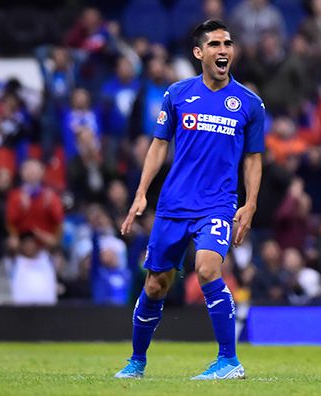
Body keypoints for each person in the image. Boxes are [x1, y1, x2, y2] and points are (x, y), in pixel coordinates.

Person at [115, 20, 264, 380]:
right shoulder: (178, 94)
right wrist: (140, 194)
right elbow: (158, 145)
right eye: (214, 44)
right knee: (155, 285)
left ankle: (228, 361)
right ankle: (136, 362)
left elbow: (253, 158)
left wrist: (251, 203)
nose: (223, 50)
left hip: (218, 203)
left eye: (227, 43)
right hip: (174, 204)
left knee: (209, 268)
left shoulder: (249, 103)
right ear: (199, 53)